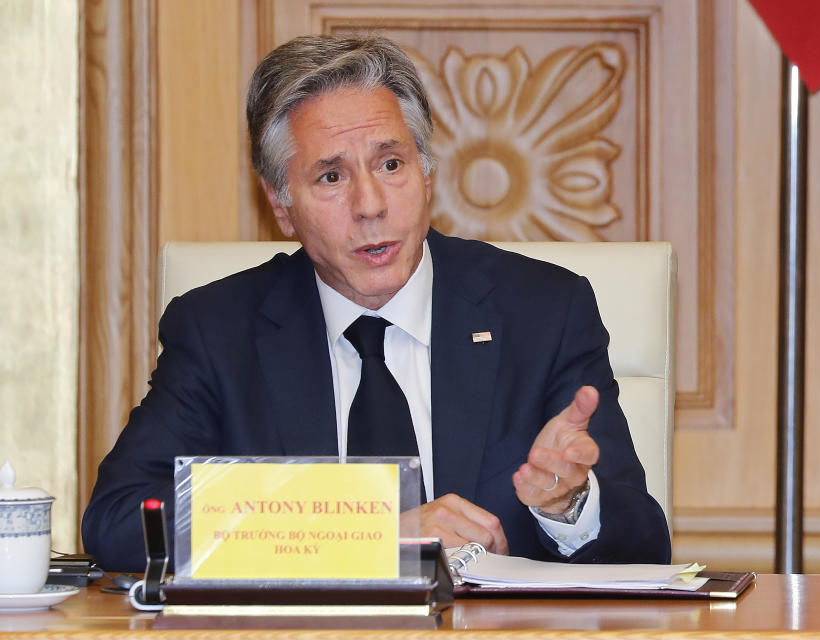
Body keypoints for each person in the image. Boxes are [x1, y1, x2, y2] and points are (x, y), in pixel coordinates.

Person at [81, 34, 670, 571]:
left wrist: (570, 505)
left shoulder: (543, 312)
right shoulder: (218, 332)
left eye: (391, 164)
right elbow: (120, 521)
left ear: (427, 173)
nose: (370, 205)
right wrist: (370, 536)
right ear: (281, 205)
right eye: (331, 178)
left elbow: (645, 546)